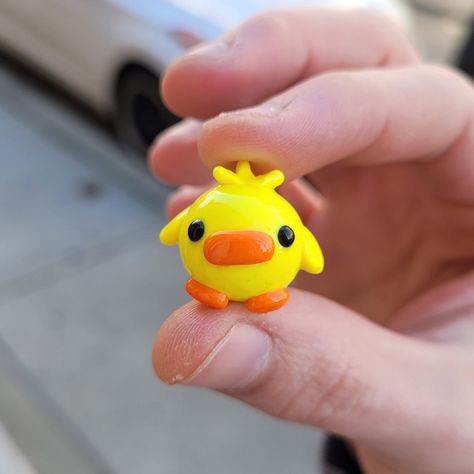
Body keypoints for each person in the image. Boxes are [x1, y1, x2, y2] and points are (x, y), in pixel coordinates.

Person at [148, 8, 474, 473]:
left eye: (280, 238)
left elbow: (306, 254)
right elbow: (182, 228)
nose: (245, 248)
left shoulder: (281, 225)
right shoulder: (211, 211)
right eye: (199, 231)